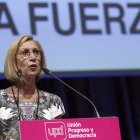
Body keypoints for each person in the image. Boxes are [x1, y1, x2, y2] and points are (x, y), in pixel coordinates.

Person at [0, 35, 65, 139]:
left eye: (36, 52)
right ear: (13, 61)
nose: (33, 57)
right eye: (25, 53)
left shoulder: (53, 101)